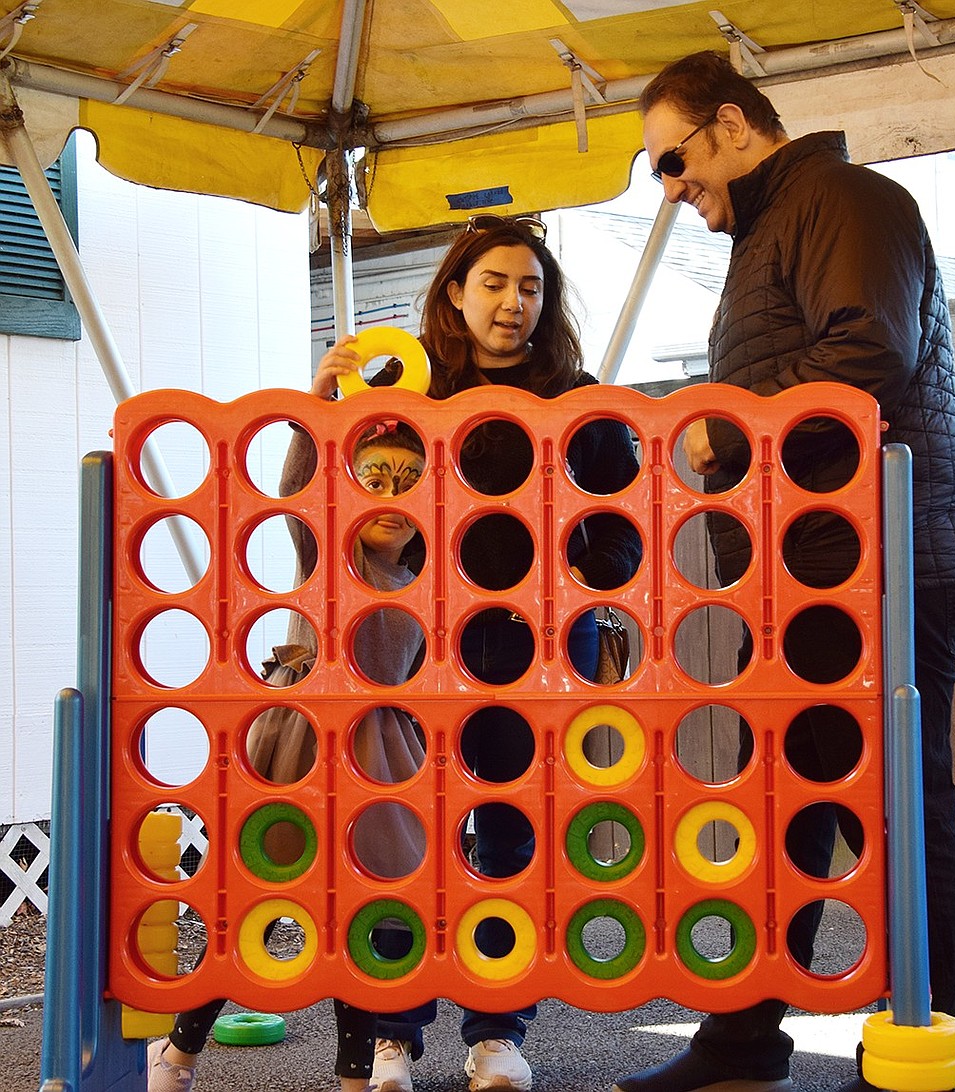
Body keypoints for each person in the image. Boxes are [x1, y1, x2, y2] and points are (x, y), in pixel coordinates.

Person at [614, 51, 955, 1092]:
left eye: (672, 160)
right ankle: (743, 1044)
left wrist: (720, 431)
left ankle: (916, 1046)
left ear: (732, 123)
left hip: (875, 565)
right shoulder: (775, 226)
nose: (671, 188)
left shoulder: (847, 198)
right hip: (807, 574)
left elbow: (866, 350)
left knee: (896, 805)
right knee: (787, 805)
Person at [322, 214, 643, 1092]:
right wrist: (324, 400)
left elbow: (624, 529)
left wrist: (591, 563)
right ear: (455, 294)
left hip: (534, 645)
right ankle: (394, 1030)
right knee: (400, 824)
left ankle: (498, 1029)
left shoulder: (578, 400)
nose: (514, 303)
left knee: (509, 825)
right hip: (414, 643)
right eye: (495, 283)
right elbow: (331, 493)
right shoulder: (410, 393)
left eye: (531, 287)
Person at [147, 417, 429, 1092]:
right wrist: (318, 404)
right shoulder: (332, 548)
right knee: (257, 893)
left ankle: (359, 1073)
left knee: (369, 900)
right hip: (303, 736)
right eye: (375, 478)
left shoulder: (428, 567)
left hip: (381, 741)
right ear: (348, 489)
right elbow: (297, 491)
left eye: (409, 481)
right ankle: (179, 1054)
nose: (391, 496)